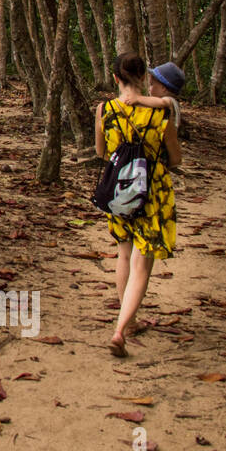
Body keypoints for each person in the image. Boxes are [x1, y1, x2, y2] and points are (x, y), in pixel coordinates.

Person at [94, 53, 182, 357]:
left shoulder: (105, 109)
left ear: (116, 78)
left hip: (118, 191)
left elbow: (101, 151)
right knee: (142, 264)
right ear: (145, 77)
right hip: (152, 192)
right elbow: (176, 158)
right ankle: (120, 329)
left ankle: (127, 323)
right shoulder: (162, 114)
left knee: (124, 251)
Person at [121, 60, 186, 132]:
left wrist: (138, 98)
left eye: (151, 84)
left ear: (163, 88)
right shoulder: (159, 102)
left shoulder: (170, 101)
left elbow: (162, 102)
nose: (149, 88)